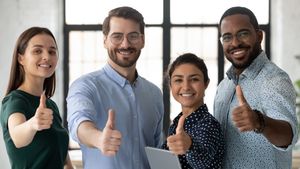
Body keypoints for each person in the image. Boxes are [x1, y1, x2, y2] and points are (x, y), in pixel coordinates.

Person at [66, 6, 164, 169]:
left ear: (142, 40)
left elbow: (156, 149)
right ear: (105, 41)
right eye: (117, 36)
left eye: (133, 36)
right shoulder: (85, 86)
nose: (125, 44)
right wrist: (99, 139)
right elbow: (79, 123)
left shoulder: (154, 93)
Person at [214, 6, 298, 169]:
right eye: (227, 37)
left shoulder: (274, 80)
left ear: (259, 36)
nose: (235, 43)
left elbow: (288, 137)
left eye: (243, 34)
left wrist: (259, 121)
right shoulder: (224, 87)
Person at [0, 27, 73, 169]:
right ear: (21, 58)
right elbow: (18, 137)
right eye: (37, 51)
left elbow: (64, 161)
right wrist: (33, 123)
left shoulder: (50, 105)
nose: (47, 56)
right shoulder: (15, 100)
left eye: (52, 51)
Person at [162, 53, 224, 169]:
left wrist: (190, 145)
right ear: (170, 85)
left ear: (206, 84)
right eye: (178, 80)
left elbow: (203, 161)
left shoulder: (209, 124)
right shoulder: (177, 123)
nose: (186, 87)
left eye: (194, 79)